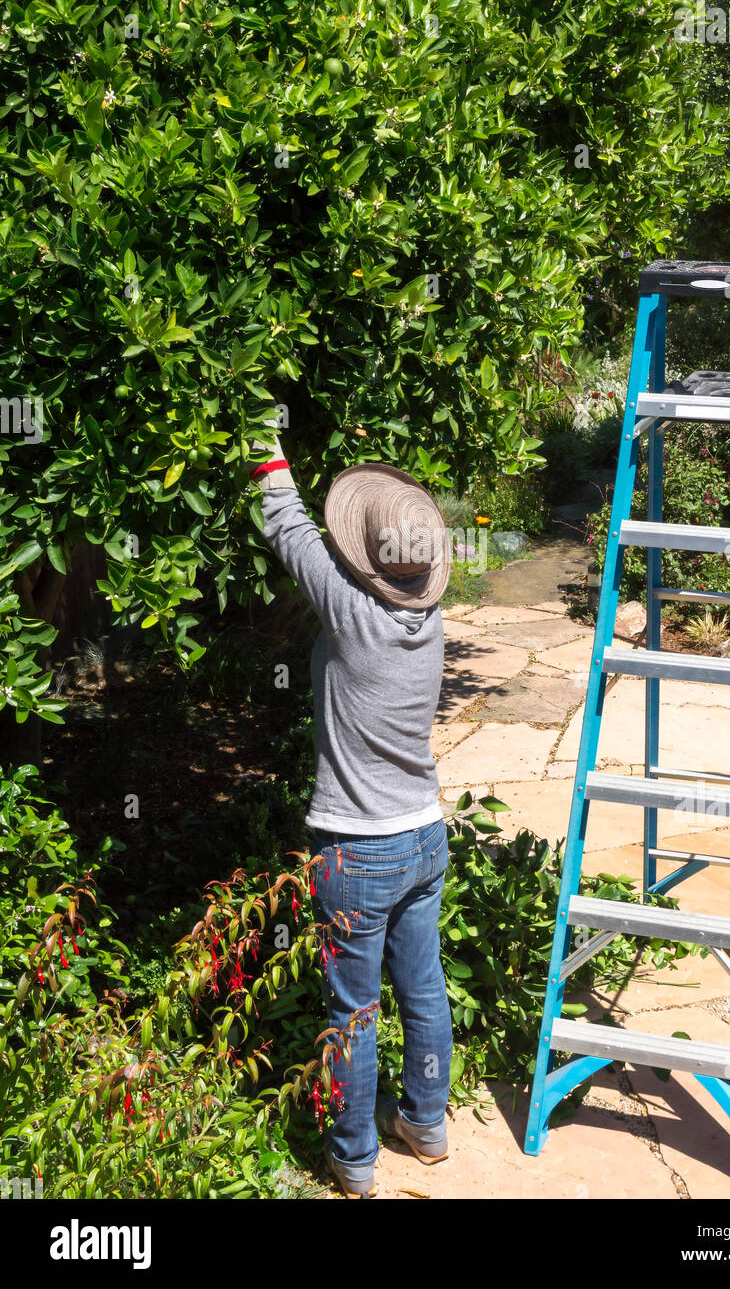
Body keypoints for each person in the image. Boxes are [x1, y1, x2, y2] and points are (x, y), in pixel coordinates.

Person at [247, 412, 454, 1199]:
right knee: (423, 987)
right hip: (424, 836)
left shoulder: (349, 610)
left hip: (356, 849)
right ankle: (426, 1125)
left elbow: (286, 520)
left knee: (353, 1011)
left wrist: (263, 430)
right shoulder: (428, 620)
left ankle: (355, 1160)